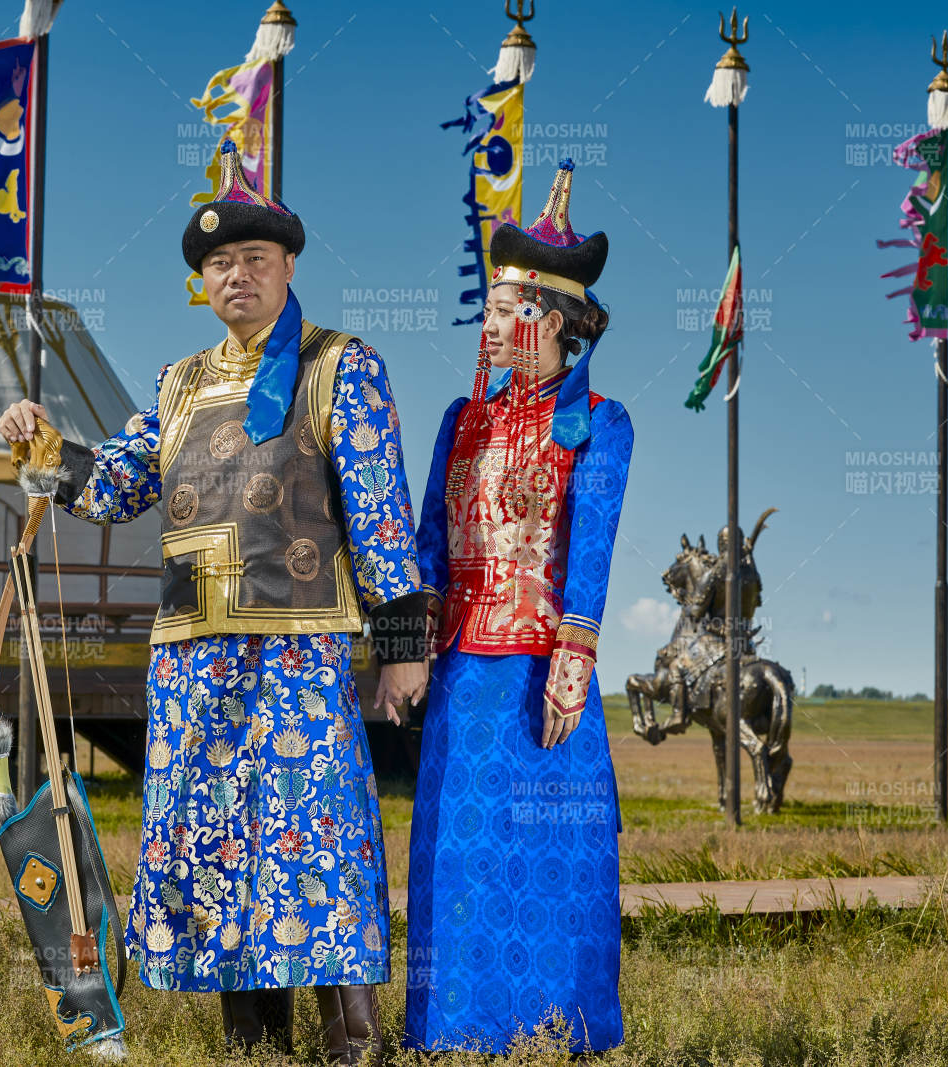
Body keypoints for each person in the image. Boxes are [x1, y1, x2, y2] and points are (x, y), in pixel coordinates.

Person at [0, 140, 429, 1066]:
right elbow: (114, 486)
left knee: (315, 844)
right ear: (203, 283)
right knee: (221, 850)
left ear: (289, 268)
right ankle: (252, 1048)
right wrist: (44, 448)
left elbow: (383, 510)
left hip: (299, 656)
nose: (237, 276)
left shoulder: (341, 367)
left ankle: (353, 1045)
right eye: (220, 265)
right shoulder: (179, 382)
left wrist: (402, 643)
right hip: (193, 663)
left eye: (255, 260)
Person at [404, 159, 634, 1054]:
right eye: (489, 310)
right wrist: (400, 654)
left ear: (549, 317)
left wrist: (571, 668)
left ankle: (558, 1032)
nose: (491, 324)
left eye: (506, 311)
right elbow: (424, 547)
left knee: (550, 869)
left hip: (543, 678)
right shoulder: (459, 418)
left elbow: (595, 550)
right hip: (462, 679)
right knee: (459, 859)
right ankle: (452, 1032)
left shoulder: (601, 423)